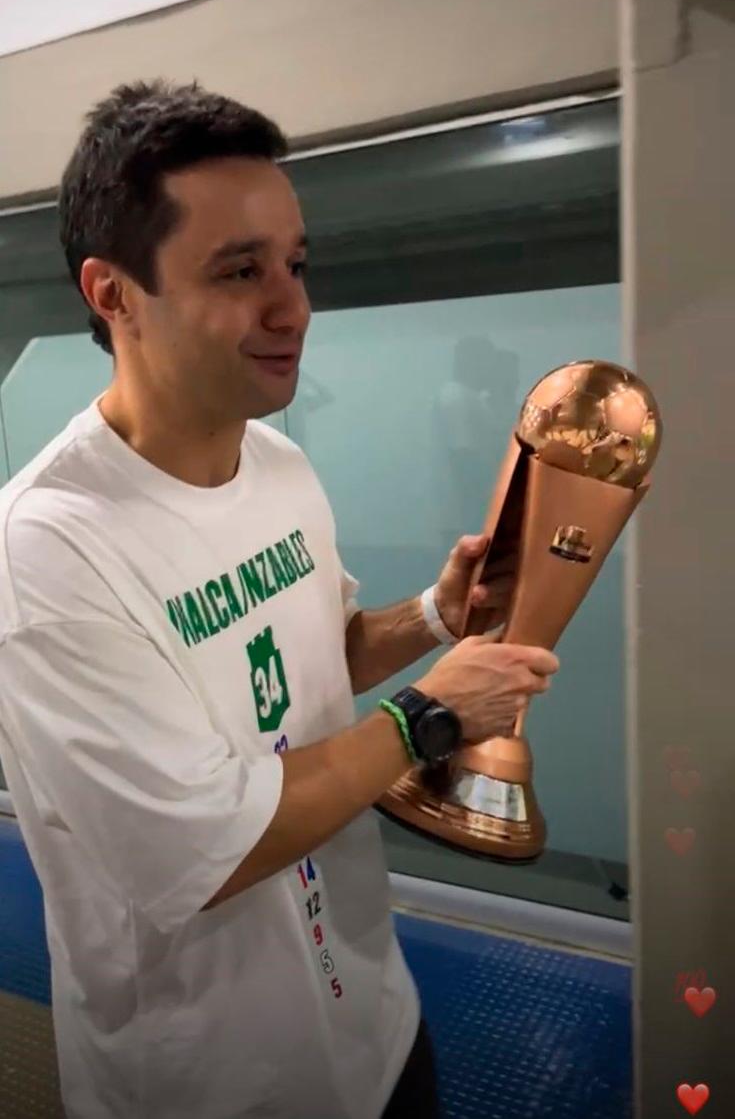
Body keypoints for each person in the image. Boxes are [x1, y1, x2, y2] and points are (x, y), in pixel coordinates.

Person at [0, 79, 559, 1119]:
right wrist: (428, 716)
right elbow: (201, 849)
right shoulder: (48, 549)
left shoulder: (279, 464)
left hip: (375, 1017)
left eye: (295, 264)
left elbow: (308, 660)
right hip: (213, 1080)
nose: (292, 307)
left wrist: (432, 617)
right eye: (239, 270)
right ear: (114, 294)